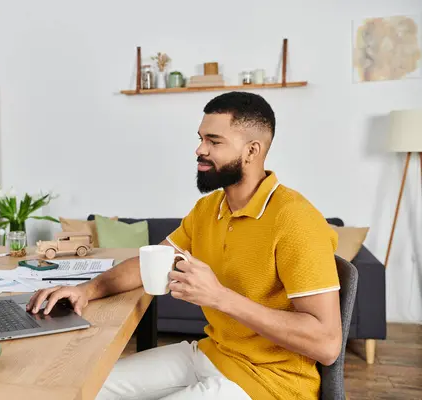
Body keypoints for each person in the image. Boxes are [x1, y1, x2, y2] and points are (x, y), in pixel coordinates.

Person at [26, 92, 342, 399]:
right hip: (211, 354)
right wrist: (86, 290)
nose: (199, 150)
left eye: (214, 141)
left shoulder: (295, 219)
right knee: (85, 387)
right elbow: (151, 261)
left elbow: (327, 345)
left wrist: (220, 297)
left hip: (271, 383)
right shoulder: (208, 209)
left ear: (252, 151)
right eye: (201, 138)